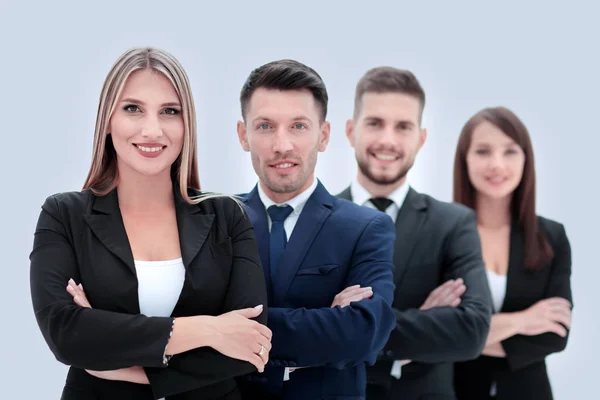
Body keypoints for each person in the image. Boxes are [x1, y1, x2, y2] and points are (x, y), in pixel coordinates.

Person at [29, 47, 272, 400]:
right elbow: (66, 333)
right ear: (107, 120)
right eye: (133, 109)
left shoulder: (226, 215)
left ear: (186, 124)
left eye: (170, 112)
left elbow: (251, 343)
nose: (152, 130)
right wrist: (208, 329)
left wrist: (118, 359)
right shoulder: (63, 214)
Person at [233, 59, 397, 400]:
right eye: (265, 126)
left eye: (298, 126)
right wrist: (326, 322)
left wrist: (228, 328)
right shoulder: (214, 221)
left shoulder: (366, 228)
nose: (282, 145)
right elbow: (183, 317)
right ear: (243, 135)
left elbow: (364, 333)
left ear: (323, 136)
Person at [337, 66, 493, 399]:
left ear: (421, 138)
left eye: (403, 126)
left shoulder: (453, 224)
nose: (387, 140)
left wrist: (349, 327)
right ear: (351, 131)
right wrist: (423, 323)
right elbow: (295, 331)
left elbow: (473, 330)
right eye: (375, 123)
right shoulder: (313, 218)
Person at [452, 106, 573, 400]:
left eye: (510, 151)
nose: (497, 164)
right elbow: (434, 332)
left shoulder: (551, 237)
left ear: (525, 158)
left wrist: (467, 336)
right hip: (456, 390)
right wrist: (522, 321)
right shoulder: (442, 234)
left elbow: (555, 334)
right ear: (465, 159)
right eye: (483, 151)